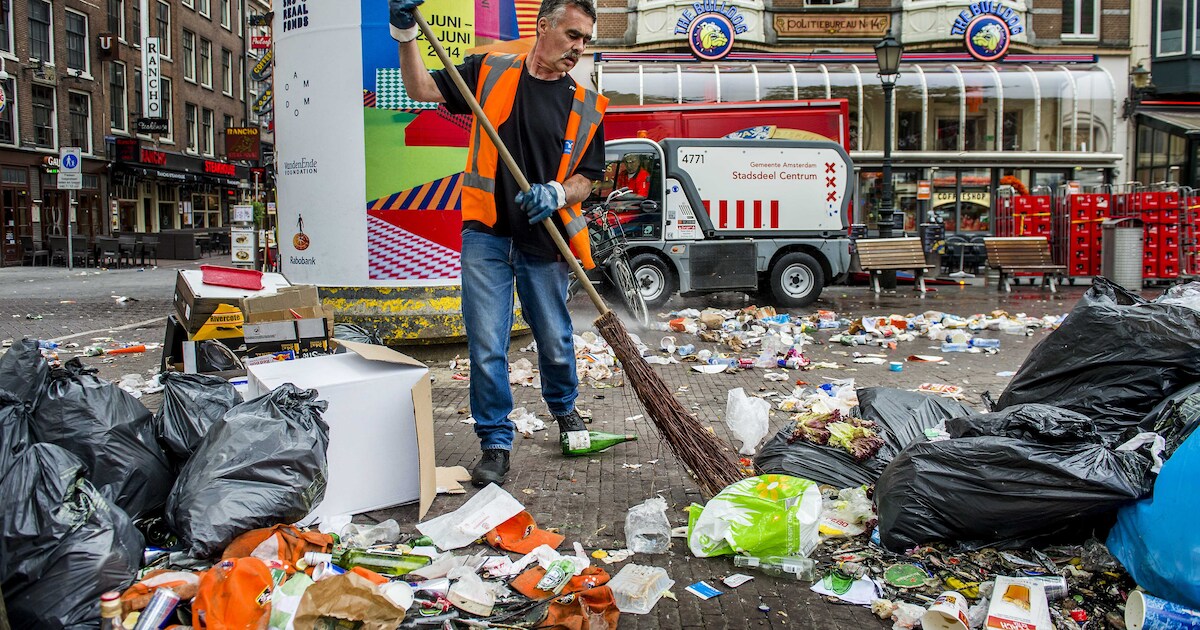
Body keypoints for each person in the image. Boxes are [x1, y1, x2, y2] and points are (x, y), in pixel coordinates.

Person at [390, 0, 608, 487]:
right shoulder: (489, 70)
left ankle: (565, 410)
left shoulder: (588, 104)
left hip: (543, 241)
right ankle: (495, 441)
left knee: (553, 338)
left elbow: (588, 179)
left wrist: (557, 192)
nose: (578, 47)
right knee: (487, 343)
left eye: (585, 40)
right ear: (543, 26)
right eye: (572, 34)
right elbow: (421, 89)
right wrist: (405, 37)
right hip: (486, 234)